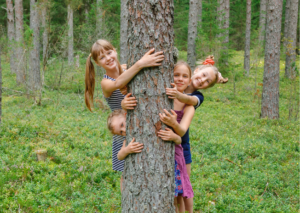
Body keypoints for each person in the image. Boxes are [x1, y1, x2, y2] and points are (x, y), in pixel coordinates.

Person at [84, 39, 164, 185]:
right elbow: (118, 83)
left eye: (109, 53)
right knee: (126, 174)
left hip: (138, 126)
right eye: (102, 57)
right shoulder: (105, 82)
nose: (108, 58)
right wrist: (140, 63)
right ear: (97, 63)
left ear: (115, 50)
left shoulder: (127, 69)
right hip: (121, 130)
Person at [106, 109, 192, 213]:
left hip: (173, 165)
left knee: (179, 198)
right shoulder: (128, 140)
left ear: (127, 115)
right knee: (171, 199)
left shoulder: (148, 125)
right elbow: (119, 156)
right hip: (158, 172)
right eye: (120, 132)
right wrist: (126, 150)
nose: (124, 130)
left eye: (122, 124)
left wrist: (173, 137)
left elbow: (179, 140)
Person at [158, 61, 195, 213]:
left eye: (184, 76)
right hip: (165, 146)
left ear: (189, 81)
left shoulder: (189, 105)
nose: (180, 79)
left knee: (184, 185)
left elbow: (182, 131)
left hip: (182, 148)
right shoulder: (163, 97)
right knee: (173, 189)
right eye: (176, 75)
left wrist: (173, 123)